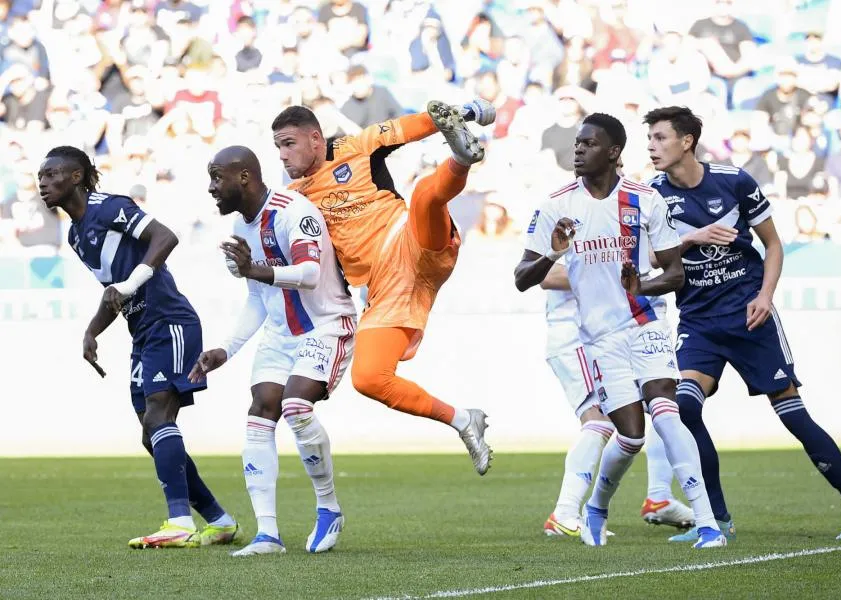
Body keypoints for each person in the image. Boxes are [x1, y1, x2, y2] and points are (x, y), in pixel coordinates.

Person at [644, 105, 841, 541]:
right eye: (650, 138)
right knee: (686, 406)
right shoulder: (652, 194)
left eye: (660, 138)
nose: (651, 146)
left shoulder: (733, 181)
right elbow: (651, 259)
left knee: (792, 415)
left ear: (686, 141)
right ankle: (717, 520)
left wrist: (765, 296)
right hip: (698, 320)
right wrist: (692, 237)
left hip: (749, 317)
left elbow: (773, 244)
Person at [514, 113, 726, 549]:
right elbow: (521, 277)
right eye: (577, 143)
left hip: (645, 321)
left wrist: (641, 286)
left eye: (589, 144)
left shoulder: (645, 200)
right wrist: (552, 253)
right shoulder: (556, 204)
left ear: (613, 152)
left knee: (666, 409)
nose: (578, 150)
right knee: (630, 435)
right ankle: (595, 508)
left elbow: (675, 274)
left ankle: (707, 525)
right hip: (598, 338)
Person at [272, 100, 495, 474]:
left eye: (288, 143)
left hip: (411, 241)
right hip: (386, 285)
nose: (282, 154)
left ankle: (460, 158)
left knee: (424, 195)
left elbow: (420, 122)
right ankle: (462, 420)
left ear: (315, 138)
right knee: (369, 378)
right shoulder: (296, 199)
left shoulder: (356, 147)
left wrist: (469, 111)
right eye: (277, 147)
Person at [37, 145, 237, 549]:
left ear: (76, 176)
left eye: (51, 174)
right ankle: (219, 519)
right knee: (151, 433)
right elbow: (113, 291)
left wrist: (128, 286)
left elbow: (166, 237)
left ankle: (179, 521)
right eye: (39, 178)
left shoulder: (110, 207)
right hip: (142, 331)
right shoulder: (77, 235)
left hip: (170, 321)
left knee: (160, 415)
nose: (43, 183)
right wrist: (93, 330)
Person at [188, 146, 356, 556]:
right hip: (281, 336)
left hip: (327, 325)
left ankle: (329, 507)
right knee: (261, 409)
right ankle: (268, 535)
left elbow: (311, 275)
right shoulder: (242, 231)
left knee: (296, 406)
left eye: (216, 178)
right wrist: (225, 350)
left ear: (243, 177)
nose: (211, 188)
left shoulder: (293, 210)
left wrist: (253, 270)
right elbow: (258, 299)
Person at [540, 160, 693, 538]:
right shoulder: (567, 210)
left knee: (656, 406)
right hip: (576, 334)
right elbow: (543, 273)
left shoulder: (626, 211)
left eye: (622, 165)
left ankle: (658, 494)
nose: (621, 172)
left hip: (615, 333)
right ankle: (564, 511)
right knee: (601, 421)